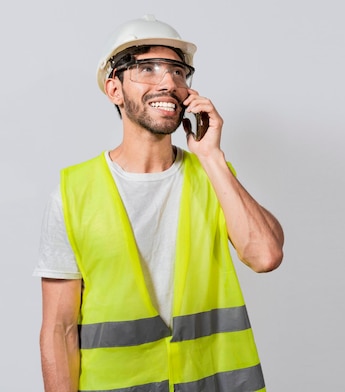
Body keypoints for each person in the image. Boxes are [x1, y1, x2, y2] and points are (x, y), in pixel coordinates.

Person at [34, 15, 284, 392]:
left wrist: (212, 157)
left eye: (178, 72)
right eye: (147, 69)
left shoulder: (214, 177)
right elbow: (59, 329)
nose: (169, 83)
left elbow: (265, 256)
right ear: (113, 89)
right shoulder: (73, 193)